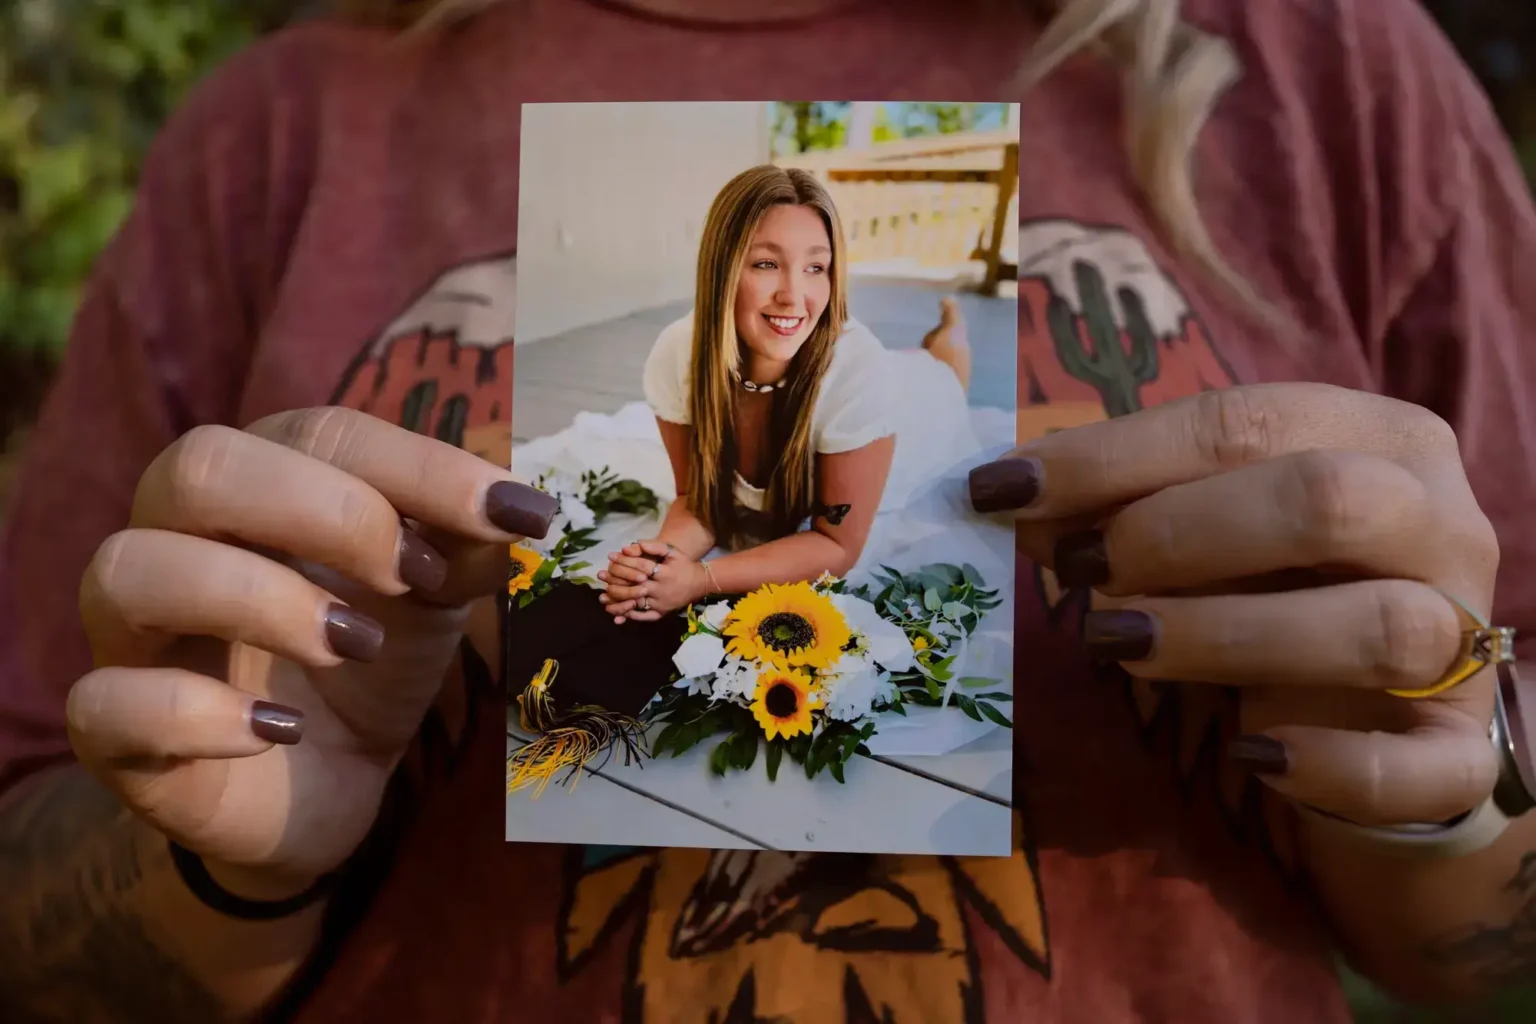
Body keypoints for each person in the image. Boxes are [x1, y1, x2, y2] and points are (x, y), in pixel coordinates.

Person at [1, 1, 1534, 1022]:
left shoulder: (1331, 68)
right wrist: (221, 854)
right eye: (757, 268)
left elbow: (1486, 933)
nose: (783, 298)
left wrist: (1448, 782)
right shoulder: (284, 131)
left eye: (811, 273)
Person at [591, 163, 982, 623]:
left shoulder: (859, 370)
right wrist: (659, 565)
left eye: (816, 267)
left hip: (908, 412)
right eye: (766, 264)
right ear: (723, 268)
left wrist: (701, 579)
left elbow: (836, 543)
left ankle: (952, 326)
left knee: (940, 373)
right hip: (857, 376)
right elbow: (698, 499)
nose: (794, 296)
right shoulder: (678, 352)